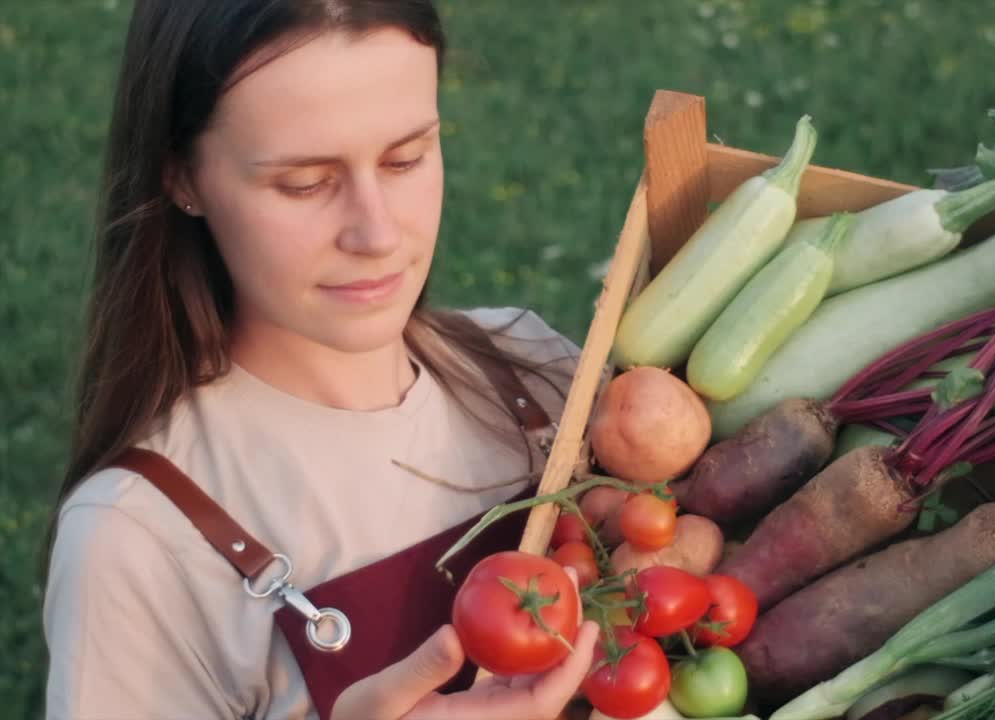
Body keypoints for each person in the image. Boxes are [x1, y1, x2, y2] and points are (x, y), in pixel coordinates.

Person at [41, 1, 601, 718]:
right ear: (180, 179)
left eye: (406, 158)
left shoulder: (535, 372)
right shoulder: (138, 541)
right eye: (304, 182)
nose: (376, 232)